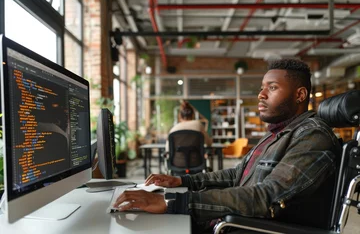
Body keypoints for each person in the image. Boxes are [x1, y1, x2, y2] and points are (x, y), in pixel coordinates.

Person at [114, 59, 341, 232]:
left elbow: (266, 197)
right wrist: (184, 181)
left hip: (242, 228)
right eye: (262, 87)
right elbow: (236, 175)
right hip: (225, 220)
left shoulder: (314, 138)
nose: (261, 94)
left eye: (271, 88)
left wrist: (175, 201)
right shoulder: (278, 133)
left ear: (300, 94)